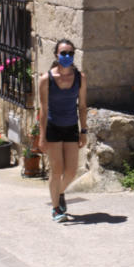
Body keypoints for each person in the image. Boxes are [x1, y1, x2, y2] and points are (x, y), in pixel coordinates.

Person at [38, 39, 88, 222]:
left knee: (71, 172)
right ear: (56, 55)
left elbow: (82, 106)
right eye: (63, 53)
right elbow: (42, 110)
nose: (67, 57)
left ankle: (58, 193)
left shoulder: (80, 78)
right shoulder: (46, 79)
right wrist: (41, 136)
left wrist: (84, 131)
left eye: (70, 53)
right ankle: (56, 209)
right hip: (53, 127)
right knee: (57, 170)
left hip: (71, 127)